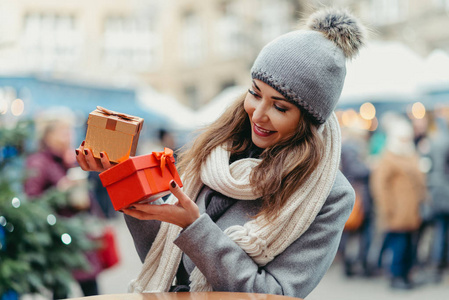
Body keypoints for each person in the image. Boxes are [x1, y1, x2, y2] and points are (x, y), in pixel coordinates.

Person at [76, 8, 365, 298]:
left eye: (280, 107)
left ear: (309, 119)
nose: (259, 114)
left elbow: (275, 294)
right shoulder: (217, 151)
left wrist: (195, 228)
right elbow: (162, 259)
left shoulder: (329, 195)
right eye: (255, 93)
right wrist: (123, 177)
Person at [24, 112, 102, 299]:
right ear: (48, 135)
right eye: (64, 131)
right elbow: (31, 202)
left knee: (91, 289)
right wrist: (61, 190)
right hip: (55, 240)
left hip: (78, 239)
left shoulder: (70, 160)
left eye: (69, 131)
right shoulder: (38, 162)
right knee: (60, 292)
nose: (69, 135)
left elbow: (88, 199)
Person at [370, 115, 427, 290]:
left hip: (412, 210)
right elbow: (380, 186)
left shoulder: (411, 154)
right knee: (398, 246)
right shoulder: (388, 157)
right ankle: (396, 276)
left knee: (410, 246)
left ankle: (406, 275)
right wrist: (388, 208)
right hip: (397, 211)